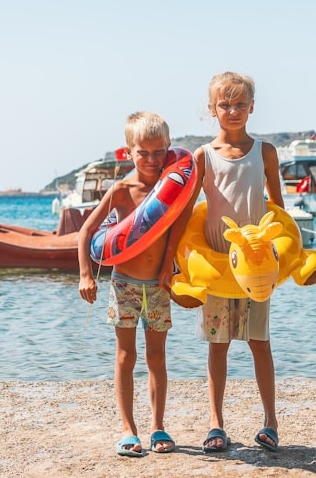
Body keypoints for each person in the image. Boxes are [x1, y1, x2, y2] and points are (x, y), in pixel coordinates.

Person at [77, 111, 193, 458]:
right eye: (143, 152)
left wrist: (170, 268)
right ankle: (129, 429)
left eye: (159, 152)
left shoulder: (170, 190)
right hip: (124, 283)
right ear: (129, 152)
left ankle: (158, 427)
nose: (152, 160)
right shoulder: (122, 191)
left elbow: (174, 230)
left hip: (158, 285)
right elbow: (86, 233)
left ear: (169, 150)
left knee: (157, 357)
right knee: (126, 356)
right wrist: (85, 274)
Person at [192, 71, 284, 453]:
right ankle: (216, 424)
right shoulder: (204, 156)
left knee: (260, 343)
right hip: (217, 268)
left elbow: (278, 210)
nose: (232, 110)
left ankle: (270, 422)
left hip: (258, 266)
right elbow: (184, 215)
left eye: (239, 104)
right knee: (218, 345)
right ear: (211, 109)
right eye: (224, 104)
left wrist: (290, 257)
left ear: (252, 107)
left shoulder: (265, 152)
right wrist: (178, 264)